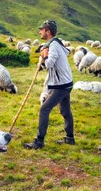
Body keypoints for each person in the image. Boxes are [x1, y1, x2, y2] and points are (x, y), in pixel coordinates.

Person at [24, 20, 75, 149]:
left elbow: (50, 63)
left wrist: (45, 58)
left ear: (48, 31)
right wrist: (42, 65)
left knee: (44, 109)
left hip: (61, 85)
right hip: (65, 83)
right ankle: (70, 138)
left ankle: (39, 141)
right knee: (65, 111)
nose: (39, 31)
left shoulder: (53, 45)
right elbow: (52, 63)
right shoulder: (55, 44)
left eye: (42, 29)